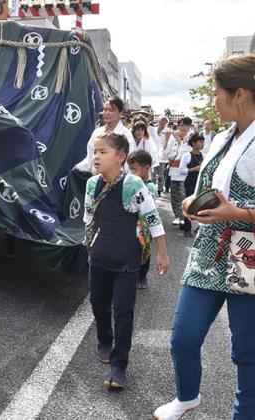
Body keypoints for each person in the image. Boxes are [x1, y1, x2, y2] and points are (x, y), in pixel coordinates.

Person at [154, 54, 255, 420]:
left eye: (216, 93)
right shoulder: (225, 136)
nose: (213, 99)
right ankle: (187, 396)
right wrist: (195, 202)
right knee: (183, 336)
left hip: (249, 259)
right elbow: (210, 186)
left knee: (247, 355)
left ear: (239, 94)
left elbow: (235, 202)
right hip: (210, 251)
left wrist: (237, 213)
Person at [84, 132, 170, 389]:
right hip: (98, 256)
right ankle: (104, 339)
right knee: (98, 304)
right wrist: (85, 246)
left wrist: (163, 254)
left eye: (103, 152)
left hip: (126, 260)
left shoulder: (134, 185)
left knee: (123, 312)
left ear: (120, 157)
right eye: (95, 152)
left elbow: (153, 218)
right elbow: (88, 219)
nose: (96, 157)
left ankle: (119, 365)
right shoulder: (91, 184)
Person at [75, 96, 134, 174]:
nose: (106, 113)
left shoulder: (126, 134)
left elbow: (128, 162)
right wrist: (78, 168)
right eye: (105, 110)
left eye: (111, 110)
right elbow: (90, 158)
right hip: (96, 179)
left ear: (121, 113)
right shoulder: (97, 132)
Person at [127, 149, 159, 289]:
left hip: (144, 226)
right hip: (129, 223)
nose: (131, 173)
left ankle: (142, 275)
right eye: (130, 170)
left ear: (147, 168)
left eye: (134, 170)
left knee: (144, 249)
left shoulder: (150, 186)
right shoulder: (129, 183)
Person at [163, 116, 193, 226]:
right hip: (173, 170)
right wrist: (167, 139)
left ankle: (184, 217)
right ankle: (177, 216)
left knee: (183, 194)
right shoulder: (173, 137)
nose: (183, 128)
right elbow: (166, 153)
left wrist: (181, 141)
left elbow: (188, 153)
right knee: (174, 195)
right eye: (181, 125)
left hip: (185, 171)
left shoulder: (191, 137)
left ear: (189, 127)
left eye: (186, 125)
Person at [178, 133, 204, 238]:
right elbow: (182, 170)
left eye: (203, 141)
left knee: (201, 206)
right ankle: (187, 229)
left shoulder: (204, 156)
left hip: (200, 183)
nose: (202, 144)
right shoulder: (187, 156)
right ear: (193, 143)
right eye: (200, 141)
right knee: (189, 206)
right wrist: (193, 169)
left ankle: (200, 228)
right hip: (189, 182)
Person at [154, 116, 169, 195]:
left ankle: (159, 189)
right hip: (153, 156)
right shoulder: (153, 129)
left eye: (165, 121)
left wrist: (167, 138)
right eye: (162, 120)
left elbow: (167, 146)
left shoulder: (167, 132)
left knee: (160, 175)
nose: (163, 122)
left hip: (162, 157)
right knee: (152, 175)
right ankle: (152, 189)